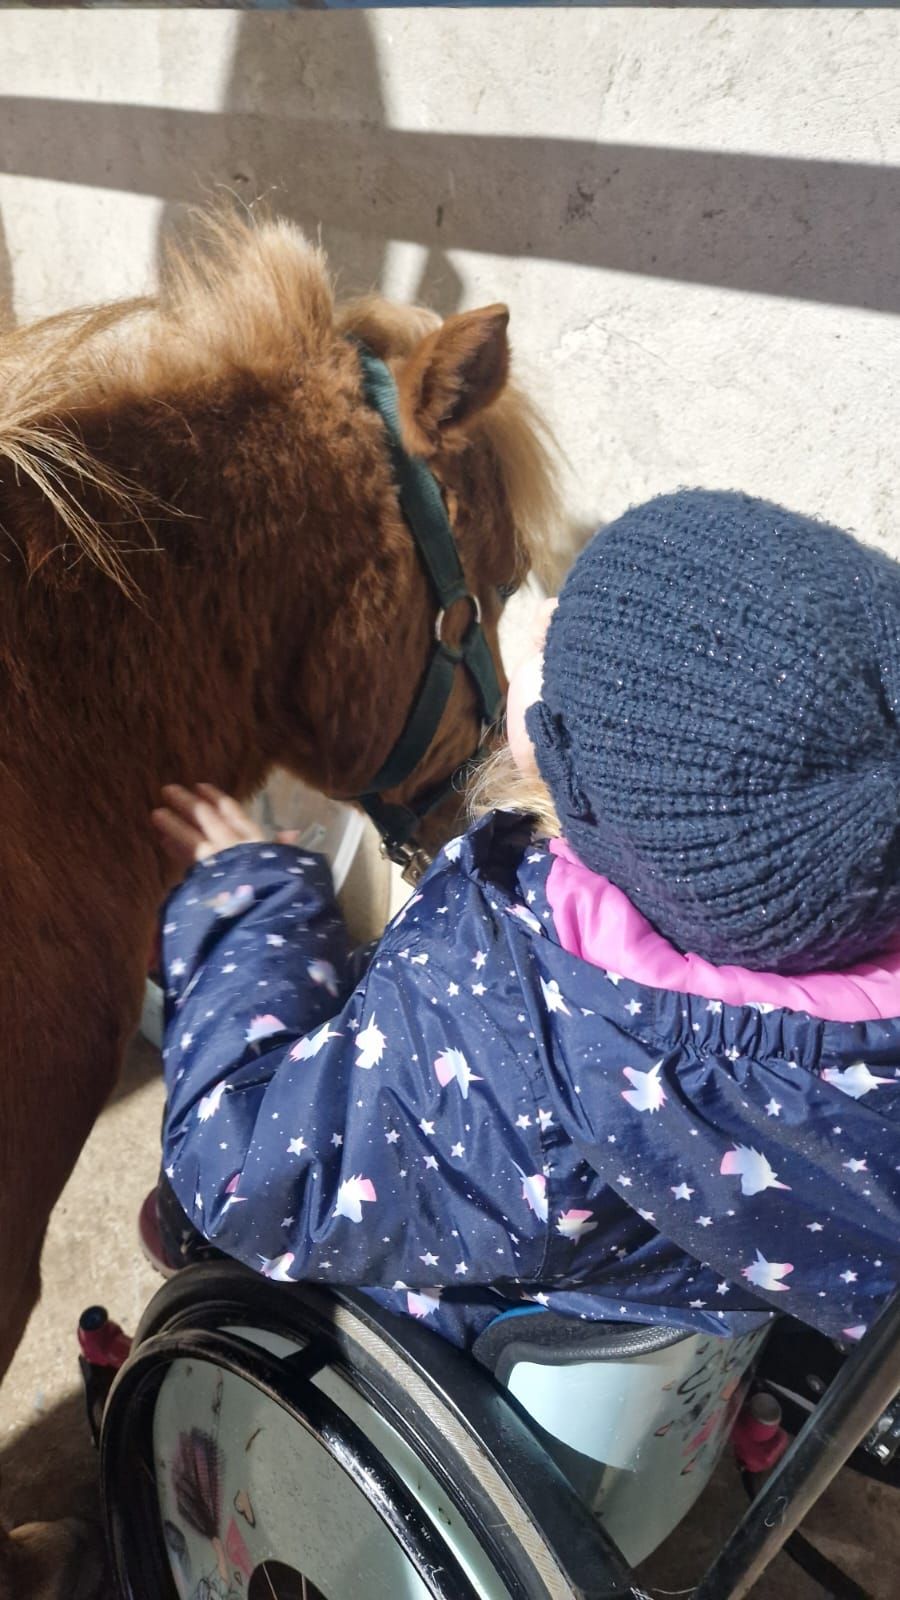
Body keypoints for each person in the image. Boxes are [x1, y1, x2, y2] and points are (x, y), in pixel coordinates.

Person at [146, 489, 900, 1351]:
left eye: (560, 661)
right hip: (712, 1279)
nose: (533, 621)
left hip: (496, 1319)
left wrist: (250, 903)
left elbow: (237, 1165)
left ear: (577, 791)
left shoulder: (520, 1064)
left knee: (190, 1215)